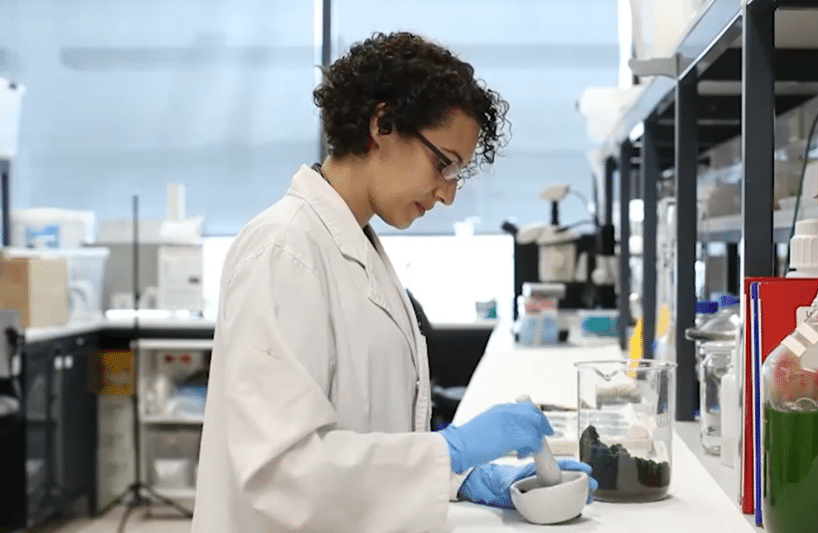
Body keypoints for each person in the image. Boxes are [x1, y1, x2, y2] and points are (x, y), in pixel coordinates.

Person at [191, 32, 596, 533]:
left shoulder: (359, 247)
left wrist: (459, 475)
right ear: (382, 123)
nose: (447, 194)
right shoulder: (284, 251)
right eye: (444, 163)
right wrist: (448, 451)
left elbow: (372, 433)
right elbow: (282, 474)